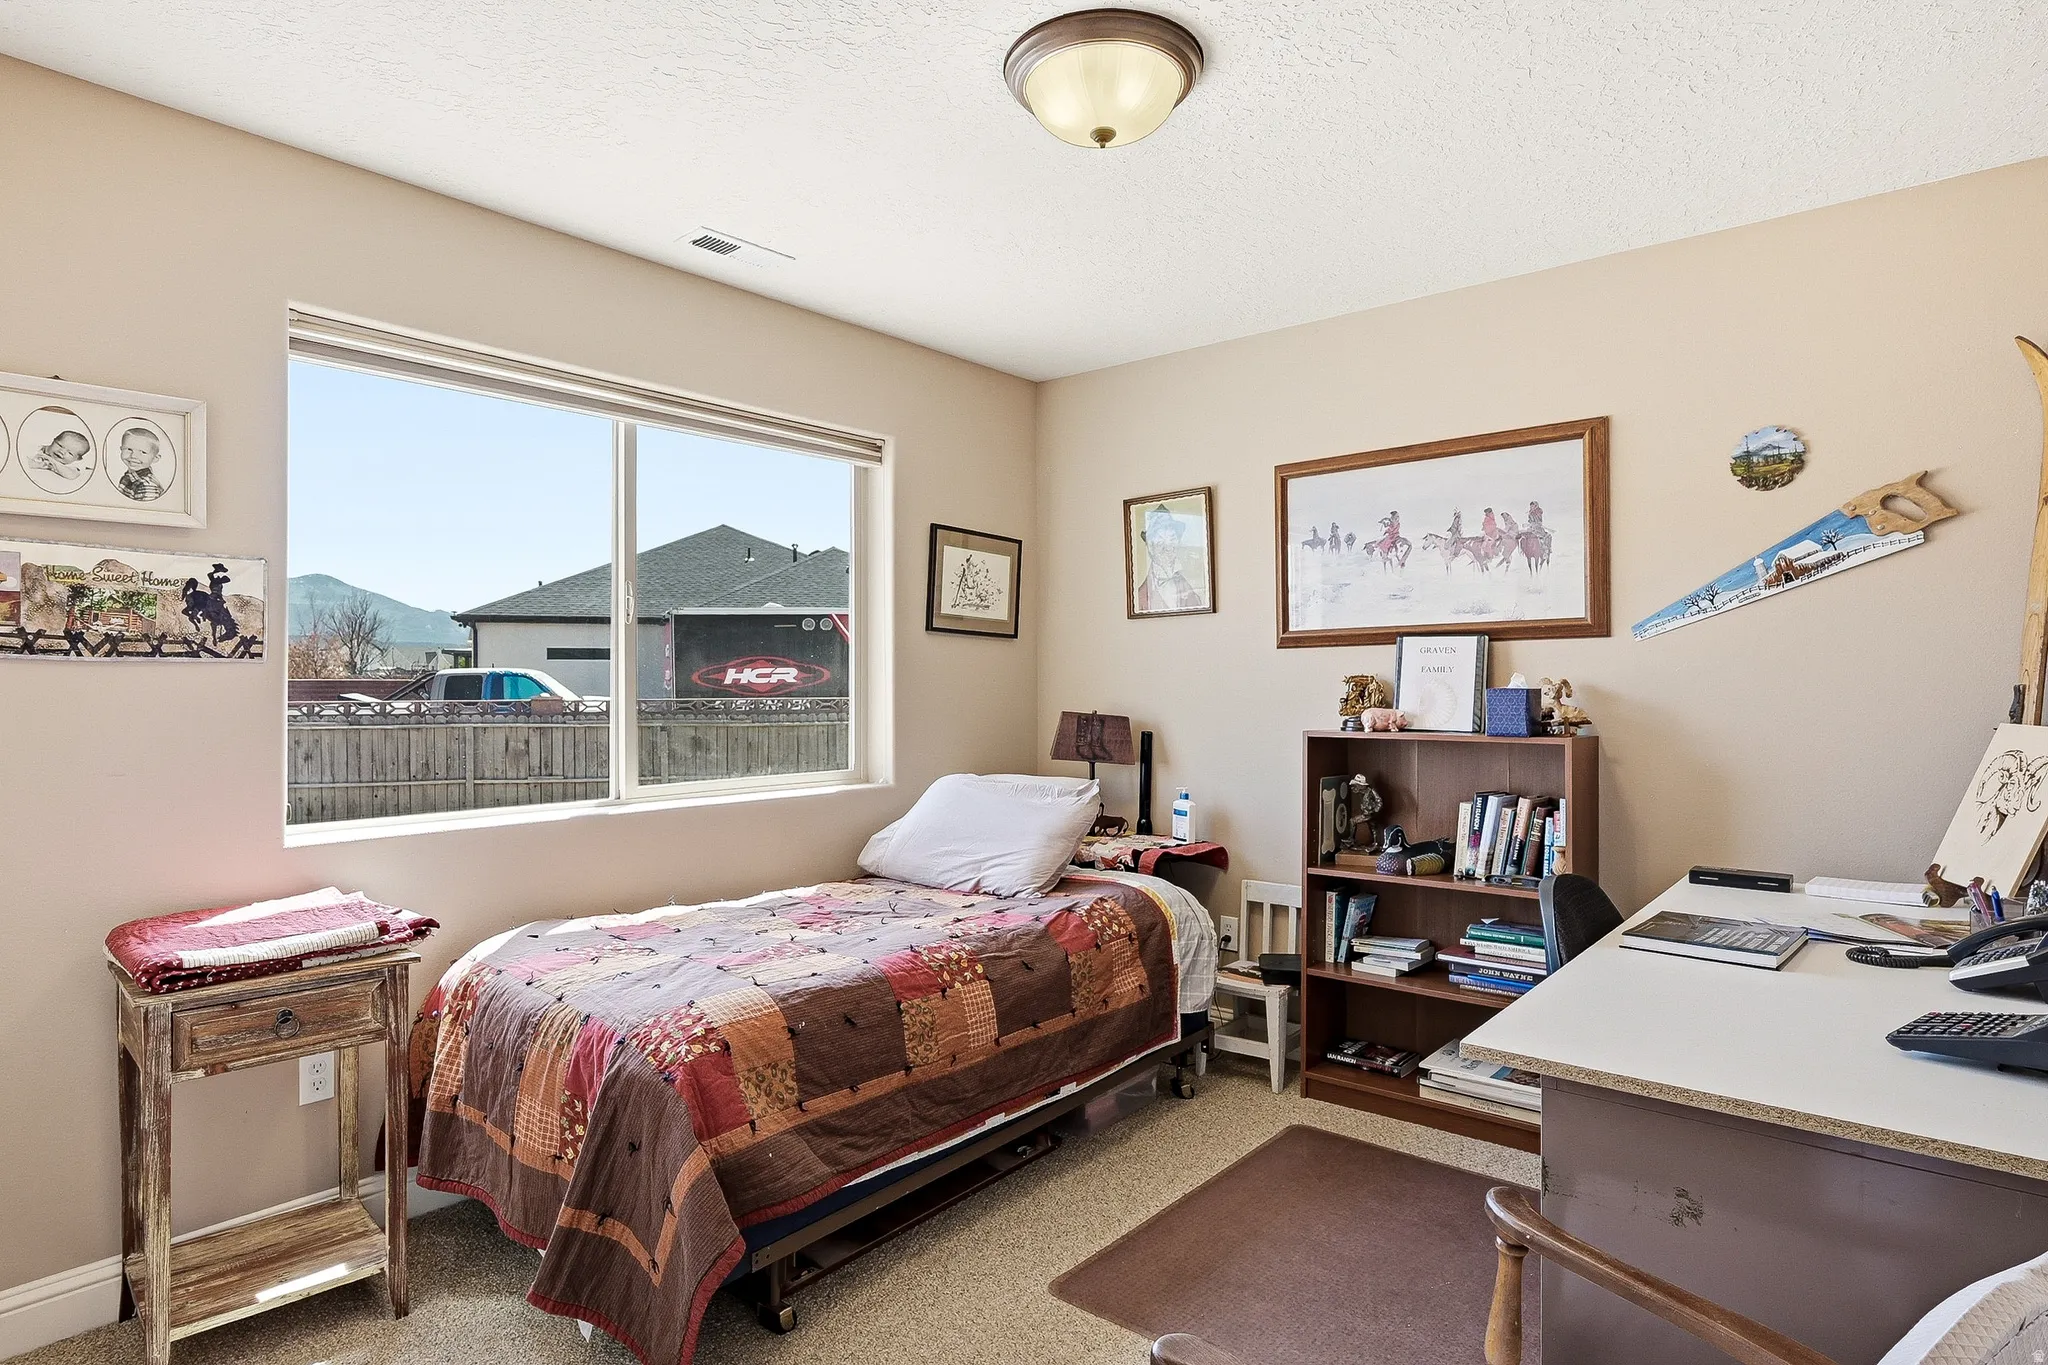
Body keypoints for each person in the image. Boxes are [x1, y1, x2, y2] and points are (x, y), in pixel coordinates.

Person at [1137, 503, 1202, 612]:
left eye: (1172, 540)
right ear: (1150, 546)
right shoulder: (1140, 596)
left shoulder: (1188, 586)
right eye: (1160, 541)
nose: (1167, 547)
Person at [114, 428, 167, 501]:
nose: (133, 456)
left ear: (155, 458)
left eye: (143, 452)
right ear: (121, 449)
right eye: (129, 449)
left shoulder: (146, 486)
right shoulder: (129, 476)